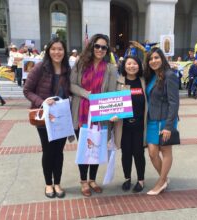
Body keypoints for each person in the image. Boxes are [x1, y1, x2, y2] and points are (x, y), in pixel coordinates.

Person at [23, 38, 72, 198]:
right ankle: (48, 184)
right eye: (54, 49)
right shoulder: (40, 68)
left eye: (60, 49)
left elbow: (70, 90)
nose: (57, 52)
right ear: (48, 51)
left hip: (62, 117)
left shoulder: (67, 69)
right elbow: (27, 90)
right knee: (48, 151)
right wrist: (41, 102)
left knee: (59, 152)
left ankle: (57, 183)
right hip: (45, 118)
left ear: (65, 52)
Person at [70, 34, 117, 197]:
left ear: (107, 50)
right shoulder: (80, 63)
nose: (100, 50)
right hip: (81, 111)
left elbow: (112, 92)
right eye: (97, 46)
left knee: (97, 146)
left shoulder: (111, 68)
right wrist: (86, 94)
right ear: (92, 46)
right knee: (84, 147)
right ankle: (83, 181)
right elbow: (71, 85)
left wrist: (113, 112)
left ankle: (92, 179)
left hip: (101, 113)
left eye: (104, 47)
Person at [144, 48, 179, 195]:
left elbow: (174, 102)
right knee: (152, 153)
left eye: (156, 57)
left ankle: (161, 181)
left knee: (165, 151)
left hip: (165, 121)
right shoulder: (152, 76)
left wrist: (169, 126)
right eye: (151, 59)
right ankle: (164, 178)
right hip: (152, 120)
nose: (153, 61)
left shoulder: (169, 75)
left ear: (162, 58)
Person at [114, 56, 147, 193]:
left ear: (139, 66)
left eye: (135, 63)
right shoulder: (118, 82)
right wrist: (112, 114)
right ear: (124, 65)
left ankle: (140, 180)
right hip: (124, 126)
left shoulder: (143, 81)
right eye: (129, 63)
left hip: (140, 125)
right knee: (126, 153)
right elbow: (111, 102)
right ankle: (127, 178)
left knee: (139, 153)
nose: (131, 66)